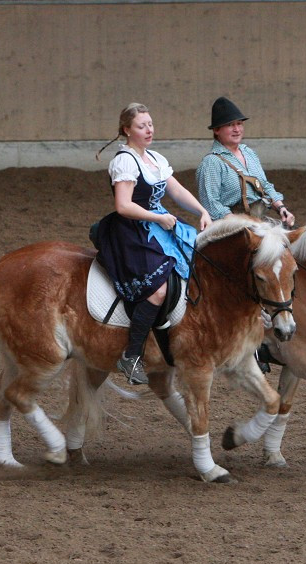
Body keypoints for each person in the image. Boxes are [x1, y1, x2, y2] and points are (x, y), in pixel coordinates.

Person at [92, 102, 211, 385]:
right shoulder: (125, 161)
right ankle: (132, 355)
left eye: (150, 124)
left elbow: (177, 190)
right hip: (131, 231)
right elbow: (123, 206)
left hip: (158, 223)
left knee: (196, 267)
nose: (148, 130)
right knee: (157, 290)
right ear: (127, 130)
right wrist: (157, 219)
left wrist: (202, 211)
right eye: (141, 126)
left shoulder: (155, 158)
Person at [196, 97, 295, 228]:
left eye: (239, 123)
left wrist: (281, 208)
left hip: (258, 221)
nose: (237, 129)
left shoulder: (248, 152)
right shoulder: (211, 162)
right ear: (216, 130)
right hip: (230, 227)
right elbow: (211, 203)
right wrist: (238, 223)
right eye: (230, 125)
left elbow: (265, 186)